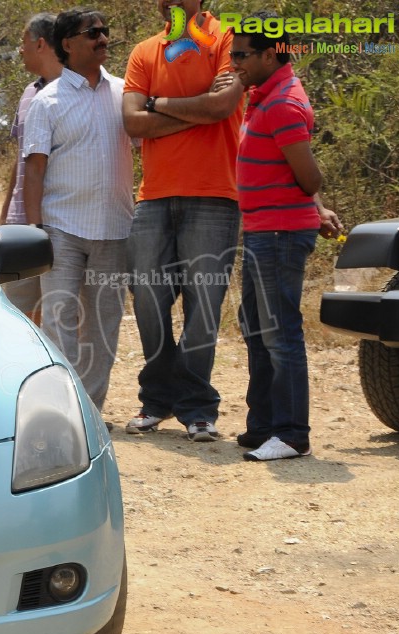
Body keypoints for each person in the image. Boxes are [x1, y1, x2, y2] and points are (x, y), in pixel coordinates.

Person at [122, 0, 244, 442]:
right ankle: (159, 398)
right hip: (153, 197)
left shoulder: (227, 39)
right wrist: (197, 110)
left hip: (215, 194)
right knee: (149, 304)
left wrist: (158, 105)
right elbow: (134, 122)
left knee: (203, 309)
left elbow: (223, 107)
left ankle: (196, 408)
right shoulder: (144, 51)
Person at [230, 13, 342, 461]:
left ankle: (293, 435)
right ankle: (264, 426)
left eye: (241, 55)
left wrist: (314, 206)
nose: (234, 62)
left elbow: (308, 175)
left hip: (278, 233)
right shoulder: (264, 96)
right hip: (262, 231)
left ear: (270, 53)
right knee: (256, 328)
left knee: (280, 333)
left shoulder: (282, 104)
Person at [22, 8, 133, 412]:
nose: (103, 38)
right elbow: (33, 171)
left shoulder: (125, 93)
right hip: (61, 231)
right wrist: (36, 234)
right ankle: (64, 413)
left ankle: (91, 413)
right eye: (93, 33)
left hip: (115, 228)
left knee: (103, 330)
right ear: (67, 44)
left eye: (105, 31)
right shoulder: (46, 101)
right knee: (58, 326)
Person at [0, 12, 62, 320]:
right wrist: (5, 218)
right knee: (20, 316)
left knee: (60, 316)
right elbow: (21, 158)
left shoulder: (72, 94)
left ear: (40, 44)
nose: (20, 50)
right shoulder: (28, 93)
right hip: (20, 227)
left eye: (24, 43)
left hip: (59, 226)